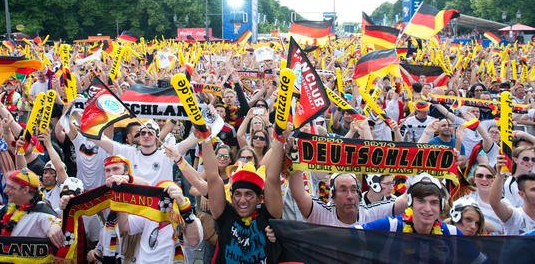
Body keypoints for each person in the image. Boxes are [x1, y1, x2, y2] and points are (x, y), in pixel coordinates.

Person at [203, 124, 284, 263]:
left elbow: (272, 179)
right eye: (237, 194)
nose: (242, 200)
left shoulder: (268, 215)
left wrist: (279, 137)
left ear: (260, 199)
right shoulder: (226, 214)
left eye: (249, 194)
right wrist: (204, 137)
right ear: (232, 197)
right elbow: (212, 177)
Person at [117, 180, 202, 263]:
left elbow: (193, 241)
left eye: (172, 197)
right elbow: (125, 225)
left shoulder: (188, 220)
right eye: (163, 196)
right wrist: (120, 198)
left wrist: (185, 210)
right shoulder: (149, 215)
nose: (167, 201)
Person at [91, 119, 197, 185]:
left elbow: (192, 139)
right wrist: (88, 128)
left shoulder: (167, 153)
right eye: (143, 133)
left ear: (156, 137)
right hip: (137, 208)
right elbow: (101, 140)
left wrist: (203, 125)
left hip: (160, 209)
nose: (146, 135)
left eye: (150, 133)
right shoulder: (130, 152)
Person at [289, 170, 407, 227]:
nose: (350, 196)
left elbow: (405, 201)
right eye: (343, 190)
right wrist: (294, 155)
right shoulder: (322, 214)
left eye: (354, 189)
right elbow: (299, 194)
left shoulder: (369, 214)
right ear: (333, 196)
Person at [0, 168, 65, 247]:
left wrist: (56, 226)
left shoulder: (42, 213)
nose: (5, 191)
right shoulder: (6, 209)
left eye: (11, 187)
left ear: (25, 190)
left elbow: (56, 223)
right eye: (7, 186)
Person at [356, 173, 458, 234]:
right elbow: (350, 235)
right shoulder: (391, 226)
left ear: (441, 205)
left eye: (434, 202)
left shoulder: (451, 233)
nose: (427, 208)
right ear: (410, 202)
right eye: (421, 201)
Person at [489, 155, 535, 235]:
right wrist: (500, 175)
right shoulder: (515, 217)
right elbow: (495, 203)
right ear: (521, 194)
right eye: (533, 189)